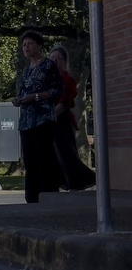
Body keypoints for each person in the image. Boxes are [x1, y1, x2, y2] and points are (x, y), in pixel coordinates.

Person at [13, 30, 63, 203]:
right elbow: (23, 91)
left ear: (40, 46)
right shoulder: (27, 70)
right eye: (24, 44)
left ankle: (49, 193)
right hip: (26, 121)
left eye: (30, 43)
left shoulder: (48, 65)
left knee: (44, 157)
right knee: (30, 159)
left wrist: (35, 97)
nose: (26, 46)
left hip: (43, 118)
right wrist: (18, 99)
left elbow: (57, 90)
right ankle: (32, 197)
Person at [47, 45, 95, 191]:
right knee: (53, 155)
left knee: (67, 154)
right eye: (52, 58)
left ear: (64, 61)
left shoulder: (68, 80)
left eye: (58, 58)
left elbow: (65, 102)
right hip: (48, 121)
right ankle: (61, 182)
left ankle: (81, 181)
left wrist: (50, 115)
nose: (55, 61)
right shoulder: (47, 80)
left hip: (62, 121)